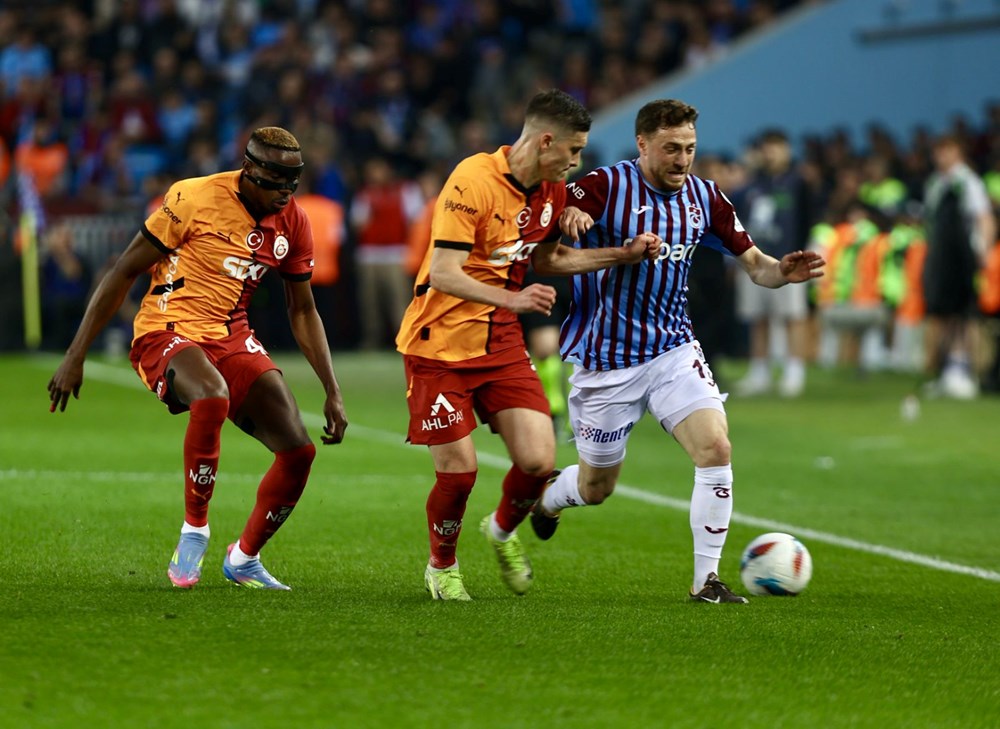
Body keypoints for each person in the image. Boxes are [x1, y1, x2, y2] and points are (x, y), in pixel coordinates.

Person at [530, 99, 824, 603]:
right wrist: (569, 215)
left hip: (672, 350)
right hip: (606, 361)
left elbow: (756, 264)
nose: (682, 159)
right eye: (671, 149)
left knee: (716, 448)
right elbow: (549, 246)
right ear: (643, 144)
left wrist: (782, 272)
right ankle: (548, 500)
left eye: (689, 148)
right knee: (597, 487)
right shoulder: (602, 186)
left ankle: (705, 581)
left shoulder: (707, 198)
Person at [48, 126, 349, 590]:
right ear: (249, 171)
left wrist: (332, 390)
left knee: (299, 451)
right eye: (276, 183)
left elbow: (303, 310)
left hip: (231, 336)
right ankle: (195, 530)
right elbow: (124, 270)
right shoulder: (192, 197)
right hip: (166, 329)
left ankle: (245, 558)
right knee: (212, 397)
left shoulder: (293, 222)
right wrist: (76, 355)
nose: (285, 194)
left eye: (294, 183)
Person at [396, 89, 659, 601]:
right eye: (574, 150)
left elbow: (549, 261)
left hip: (499, 344)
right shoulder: (471, 181)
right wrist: (511, 299)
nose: (577, 162)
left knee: (539, 462)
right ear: (546, 142)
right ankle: (442, 566)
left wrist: (621, 256)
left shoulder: (552, 191)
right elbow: (446, 273)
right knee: (460, 472)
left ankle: (499, 529)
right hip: (438, 346)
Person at [733, 128, 814, 397]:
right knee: (758, 318)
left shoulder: (799, 183)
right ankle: (760, 371)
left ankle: (794, 371)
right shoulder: (753, 184)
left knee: (793, 317)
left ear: (787, 150)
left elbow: (810, 219)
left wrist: (804, 253)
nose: (771, 153)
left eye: (776, 147)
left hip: (789, 259)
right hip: (756, 259)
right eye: (766, 147)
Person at [921, 134, 997, 399]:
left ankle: (964, 370)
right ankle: (948, 369)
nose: (941, 156)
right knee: (943, 313)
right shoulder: (934, 183)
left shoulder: (968, 182)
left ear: (958, 152)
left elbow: (984, 218)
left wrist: (984, 253)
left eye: (947, 150)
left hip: (964, 257)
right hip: (941, 257)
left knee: (964, 313)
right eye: (938, 151)